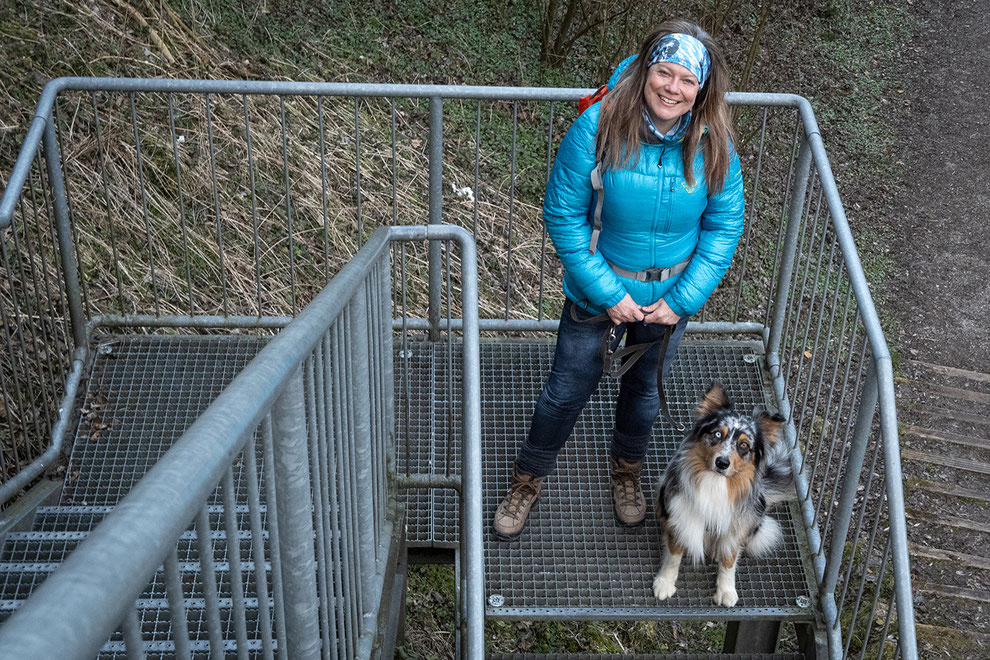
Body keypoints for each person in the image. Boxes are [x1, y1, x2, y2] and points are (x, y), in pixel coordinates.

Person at [492, 19, 745, 541]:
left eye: (686, 80)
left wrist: (683, 299)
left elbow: (723, 225)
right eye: (664, 73)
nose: (672, 88)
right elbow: (564, 215)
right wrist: (609, 293)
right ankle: (526, 481)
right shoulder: (600, 125)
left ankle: (626, 474)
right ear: (646, 70)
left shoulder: (712, 139)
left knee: (643, 396)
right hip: (596, 293)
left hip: (669, 304)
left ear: (702, 89)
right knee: (565, 392)